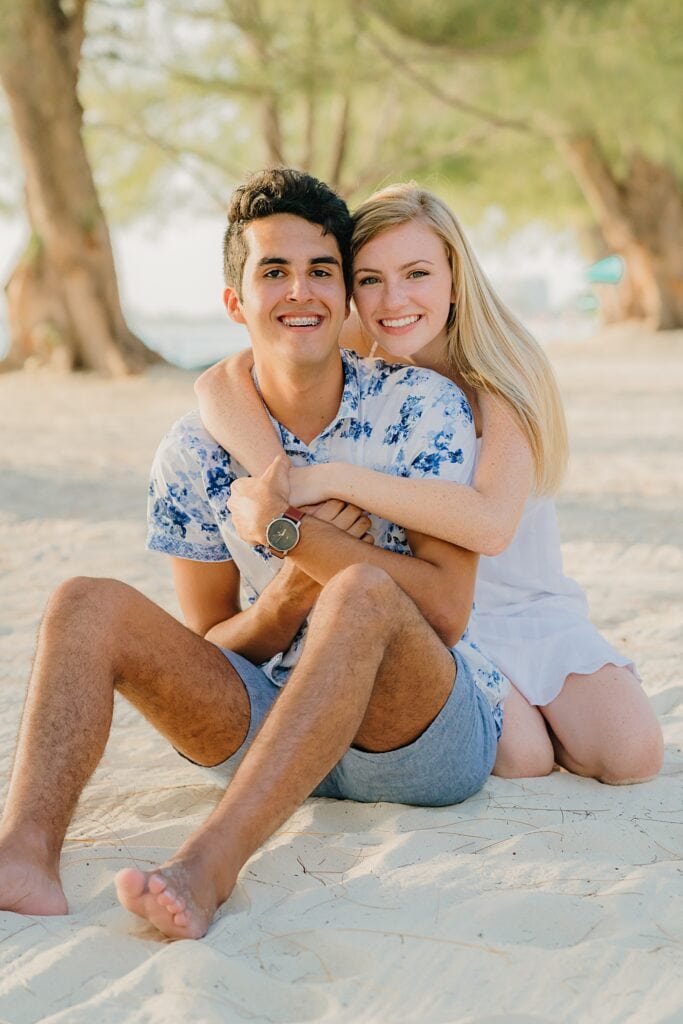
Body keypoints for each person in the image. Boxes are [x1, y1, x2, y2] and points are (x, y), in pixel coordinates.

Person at [0, 168, 508, 942]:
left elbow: (443, 611)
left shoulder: (417, 407)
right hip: (266, 725)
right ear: (235, 302)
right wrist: (285, 597)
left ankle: (205, 869)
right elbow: (213, 647)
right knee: (84, 600)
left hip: (415, 739)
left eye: (320, 271)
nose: (299, 291)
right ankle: (22, 855)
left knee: (362, 593)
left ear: (344, 300)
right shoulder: (194, 451)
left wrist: (301, 539)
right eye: (273, 271)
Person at [195, 182, 663, 785]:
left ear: (453, 274)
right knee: (525, 760)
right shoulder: (369, 345)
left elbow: (491, 525)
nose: (394, 300)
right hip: (437, 610)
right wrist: (276, 482)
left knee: (631, 758)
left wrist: (332, 478)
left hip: (530, 608)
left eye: (416, 273)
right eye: (368, 279)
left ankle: (559, 717)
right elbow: (218, 385)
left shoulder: (502, 367)